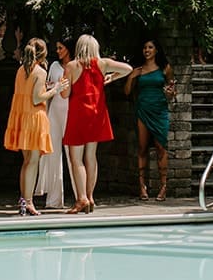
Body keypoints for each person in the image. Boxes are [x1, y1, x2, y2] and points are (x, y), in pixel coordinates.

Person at [61, 34, 133, 213]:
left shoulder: (71, 66)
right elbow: (128, 68)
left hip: (78, 114)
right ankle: (91, 196)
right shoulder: (103, 64)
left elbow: (64, 94)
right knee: (91, 156)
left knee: (76, 158)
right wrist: (112, 77)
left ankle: (82, 199)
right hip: (97, 114)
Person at [5, 38, 67, 216]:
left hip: (22, 118)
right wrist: (55, 89)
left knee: (26, 163)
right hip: (33, 118)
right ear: (43, 53)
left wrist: (45, 89)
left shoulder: (21, 70)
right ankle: (29, 201)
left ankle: (24, 199)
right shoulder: (39, 72)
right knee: (32, 163)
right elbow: (37, 98)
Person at [124, 39, 175, 200]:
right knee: (142, 147)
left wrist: (170, 93)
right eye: (145, 47)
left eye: (150, 47)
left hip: (160, 110)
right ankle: (142, 186)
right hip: (143, 110)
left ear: (156, 50)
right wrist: (131, 77)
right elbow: (126, 92)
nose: (147, 50)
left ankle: (163, 186)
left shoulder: (165, 68)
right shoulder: (138, 70)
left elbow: (172, 92)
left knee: (161, 147)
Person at [36, 38, 74, 208]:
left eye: (61, 48)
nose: (58, 51)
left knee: (73, 154)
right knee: (53, 154)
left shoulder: (76, 66)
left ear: (69, 49)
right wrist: (51, 86)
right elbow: (48, 88)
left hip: (71, 111)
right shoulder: (54, 66)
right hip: (54, 111)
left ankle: (80, 196)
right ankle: (54, 199)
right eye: (57, 48)